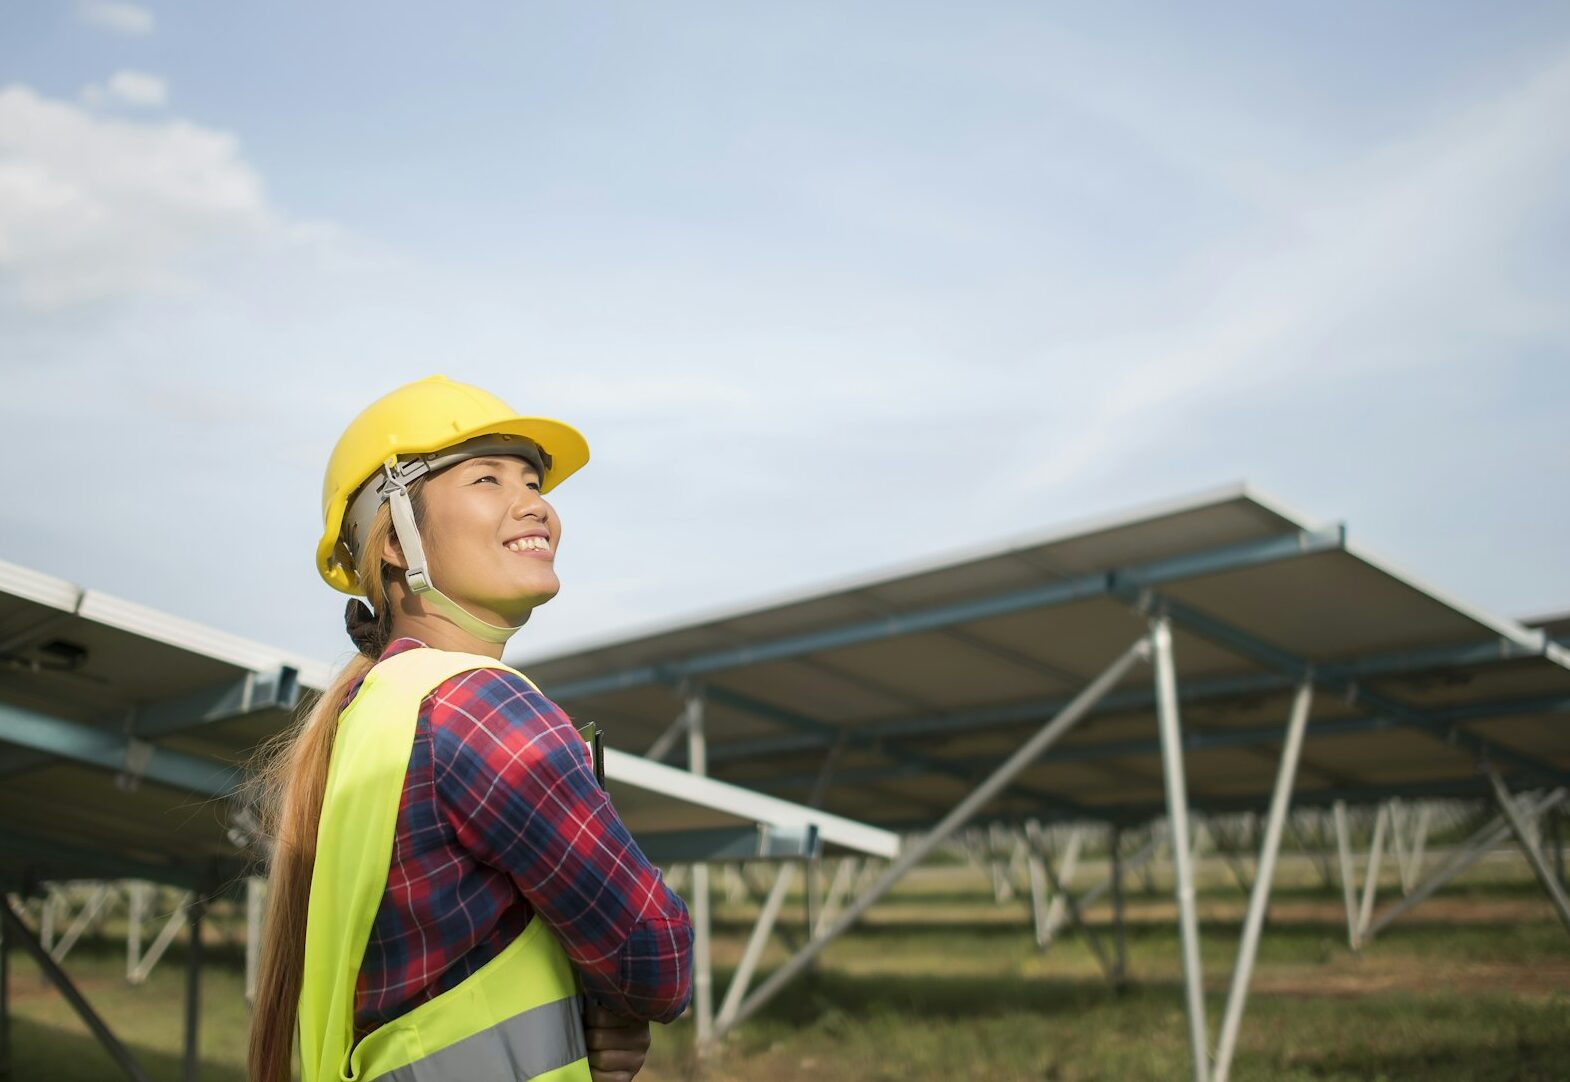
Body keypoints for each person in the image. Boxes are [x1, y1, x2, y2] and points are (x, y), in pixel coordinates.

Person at [247, 375, 693, 1082]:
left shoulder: (372, 707)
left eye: (534, 482)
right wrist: (611, 1004)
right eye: (488, 478)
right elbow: (656, 957)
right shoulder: (478, 708)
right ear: (396, 540)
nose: (535, 506)